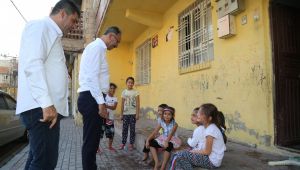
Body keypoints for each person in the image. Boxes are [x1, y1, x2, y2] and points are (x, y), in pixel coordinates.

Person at [16, 0, 80, 169]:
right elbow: (33, 64)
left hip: (44, 108)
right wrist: (46, 104)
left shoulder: (53, 34)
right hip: (41, 108)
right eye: (73, 21)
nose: (74, 26)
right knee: (45, 162)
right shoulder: (41, 27)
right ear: (62, 14)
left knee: (37, 159)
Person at [77, 26, 121, 170]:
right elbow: (91, 78)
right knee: (91, 142)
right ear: (112, 37)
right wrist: (101, 103)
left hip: (92, 97)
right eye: (117, 42)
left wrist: (100, 101)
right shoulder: (97, 48)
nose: (116, 46)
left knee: (93, 141)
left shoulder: (97, 48)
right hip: (91, 98)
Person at [170, 103, 227, 170]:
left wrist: (193, 152)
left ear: (209, 118)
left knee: (181, 155)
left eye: (201, 113)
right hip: (208, 158)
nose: (198, 115)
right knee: (177, 155)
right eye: (199, 112)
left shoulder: (211, 130)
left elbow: (207, 151)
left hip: (212, 162)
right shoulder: (209, 128)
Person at [119, 77, 140, 151]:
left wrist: (137, 114)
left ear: (133, 84)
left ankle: (131, 144)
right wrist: (121, 114)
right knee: (124, 129)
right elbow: (122, 104)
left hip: (133, 114)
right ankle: (123, 143)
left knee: (132, 129)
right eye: (129, 82)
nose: (130, 84)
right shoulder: (124, 92)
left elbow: (138, 104)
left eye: (131, 82)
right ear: (126, 83)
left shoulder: (136, 92)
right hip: (125, 114)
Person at [97, 83, 118, 153]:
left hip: (110, 119)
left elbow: (114, 107)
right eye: (111, 88)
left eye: (114, 88)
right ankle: (97, 148)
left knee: (111, 133)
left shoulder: (115, 98)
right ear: (108, 89)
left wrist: (106, 106)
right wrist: (105, 111)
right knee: (100, 134)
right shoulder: (104, 97)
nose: (112, 89)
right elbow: (101, 106)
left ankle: (110, 147)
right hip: (103, 118)